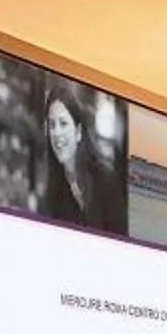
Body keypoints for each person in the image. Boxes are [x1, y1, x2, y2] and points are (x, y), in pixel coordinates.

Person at [31, 82, 121, 234]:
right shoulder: (54, 190)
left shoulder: (104, 180)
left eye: (63, 123)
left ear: (78, 132)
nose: (56, 132)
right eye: (52, 125)